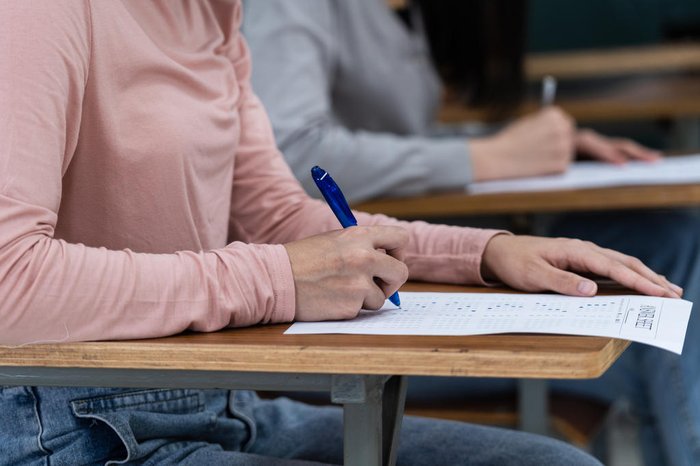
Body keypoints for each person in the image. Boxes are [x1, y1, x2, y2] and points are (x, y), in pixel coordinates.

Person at [0, 1, 682, 465]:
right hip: (61, 425)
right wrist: (277, 278)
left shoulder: (213, 14)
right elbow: (11, 284)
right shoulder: (39, 14)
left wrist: (483, 253)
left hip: (214, 398)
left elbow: (274, 213)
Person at [243, 1, 700, 465]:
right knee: (651, 349)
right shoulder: (289, 7)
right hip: (337, 304)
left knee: (667, 245)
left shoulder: (408, 12)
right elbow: (293, 154)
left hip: (404, 262)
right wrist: (487, 157)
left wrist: (513, 144)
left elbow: (402, 135)